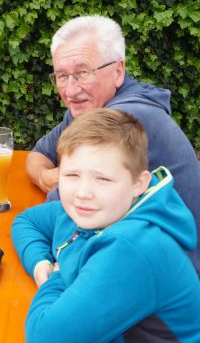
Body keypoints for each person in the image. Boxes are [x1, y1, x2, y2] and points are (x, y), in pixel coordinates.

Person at [25, 15, 200, 274]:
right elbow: (38, 155)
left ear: (118, 71)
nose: (70, 91)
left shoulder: (125, 118)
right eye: (62, 76)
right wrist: (47, 176)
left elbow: (57, 211)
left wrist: (61, 180)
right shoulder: (89, 107)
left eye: (83, 73)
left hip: (169, 275)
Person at [12, 108, 200, 343]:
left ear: (138, 184)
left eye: (103, 179)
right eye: (71, 175)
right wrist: (41, 264)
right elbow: (27, 221)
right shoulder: (92, 212)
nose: (83, 193)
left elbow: (44, 337)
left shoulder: (133, 247)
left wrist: (57, 275)